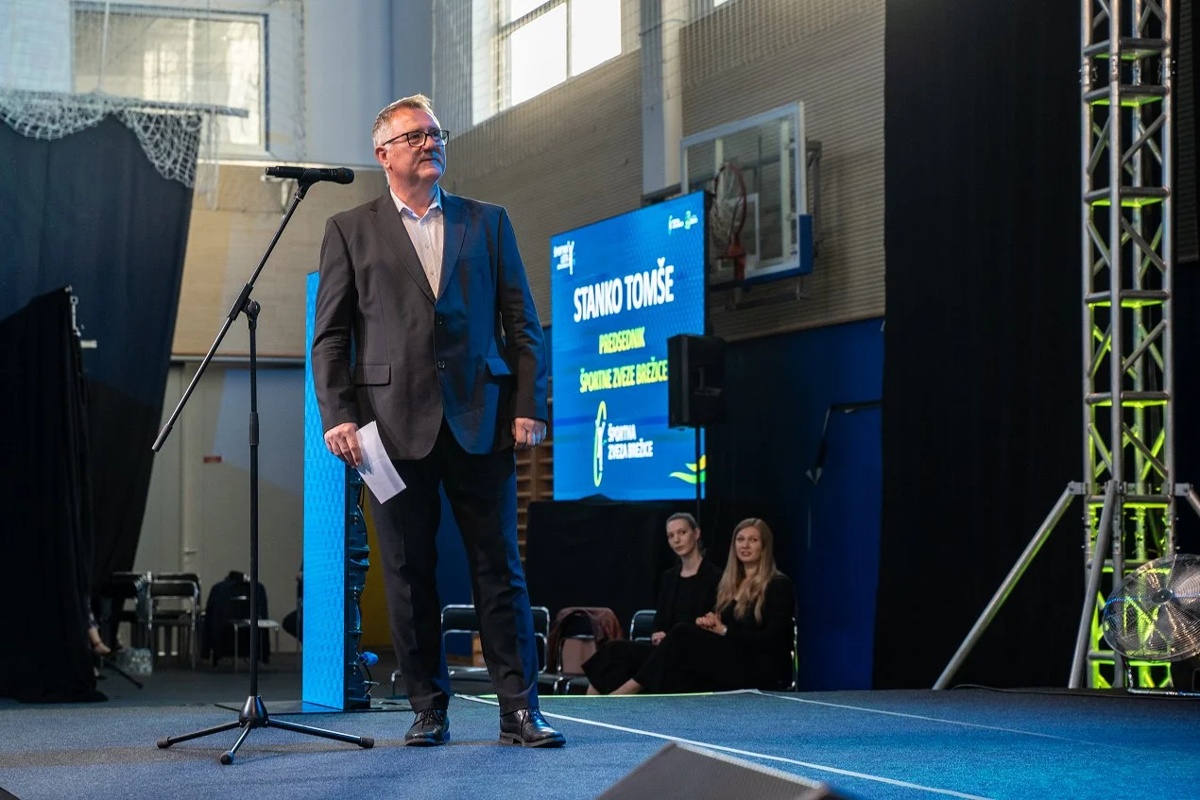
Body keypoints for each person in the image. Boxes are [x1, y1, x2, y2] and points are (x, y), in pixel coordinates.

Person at [311, 93, 563, 748]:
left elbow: (523, 322)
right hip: (386, 430)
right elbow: (331, 336)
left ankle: (520, 710)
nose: (431, 143)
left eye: (435, 133)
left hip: (482, 418)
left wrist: (529, 404)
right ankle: (428, 708)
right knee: (406, 572)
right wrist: (338, 415)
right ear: (383, 153)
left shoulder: (489, 222)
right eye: (415, 136)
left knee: (500, 570)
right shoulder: (349, 229)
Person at [604, 518, 795, 695]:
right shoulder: (731, 584)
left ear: (764, 546)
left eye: (753, 540)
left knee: (681, 634)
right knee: (617, 650)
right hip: (730, 659)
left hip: (758, 667)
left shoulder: (777, 584)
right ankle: (595, 702)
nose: (745, 545)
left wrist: (724, 630)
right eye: (740, 539)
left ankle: (626, 692)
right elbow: (727, 628)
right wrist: (711, 624)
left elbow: (773, 640)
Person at [582, 512, 720, 694]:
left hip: (692, 652)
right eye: (671, 535)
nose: (676, 540)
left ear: (696, 533)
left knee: (662, 655)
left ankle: (619, 696)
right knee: (613, 649)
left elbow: (712, 622)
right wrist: (657, 633)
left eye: (682, 532)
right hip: (663, 649)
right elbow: (660, 620)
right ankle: (589, 703)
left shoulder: (715, 577)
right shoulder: (669, 578)